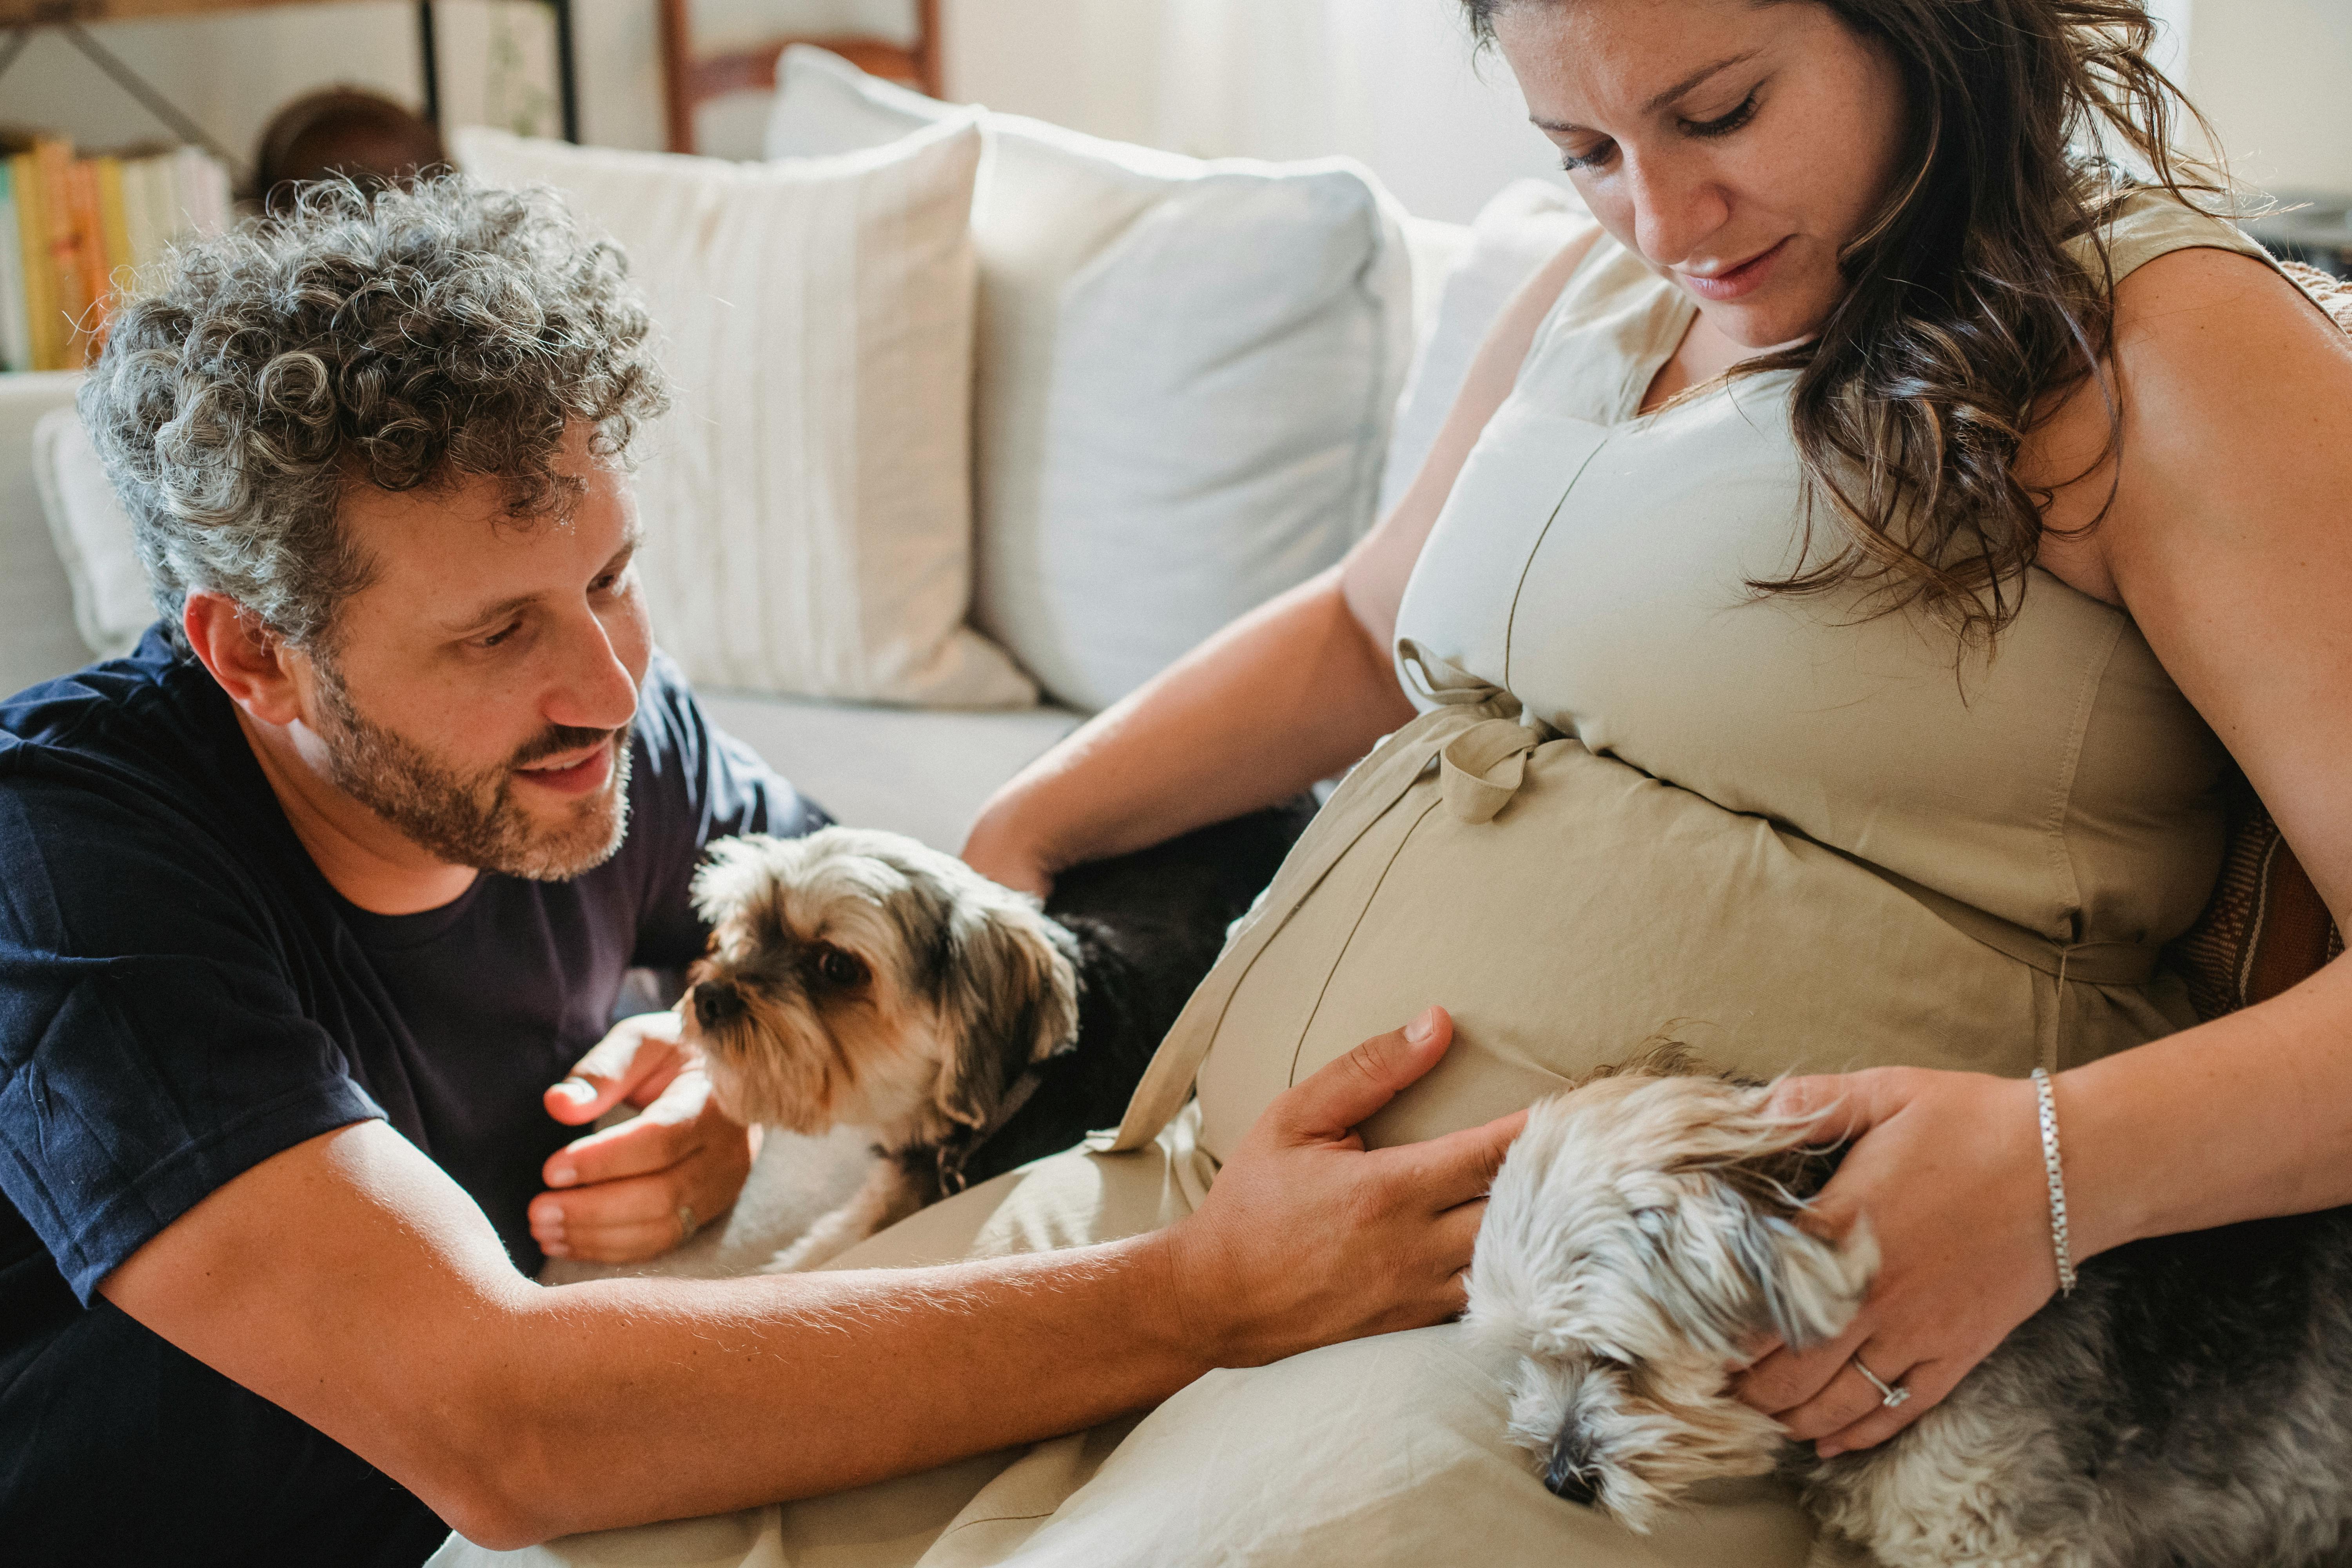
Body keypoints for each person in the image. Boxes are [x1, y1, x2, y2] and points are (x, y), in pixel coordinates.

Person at [443, 0, 2344, 1562]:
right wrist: (1021, 837)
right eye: (1585, 153)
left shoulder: (2163, 336)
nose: (1666, 216)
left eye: (1721, 109)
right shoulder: (1606, 307)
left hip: (1610, 1341)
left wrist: (2052, 1177)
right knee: (594, 1527)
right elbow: (1366, 633)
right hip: (1200, 1198)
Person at [0, 179, 1520, 1565]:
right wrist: (1212, 1291)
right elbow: (503, 1424)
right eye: (494, 634)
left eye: (609, 579)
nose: (608, 687)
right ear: (256, 654)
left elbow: (835, 941)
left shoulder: (601, 744)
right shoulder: (66, 876)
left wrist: (715, 1080)